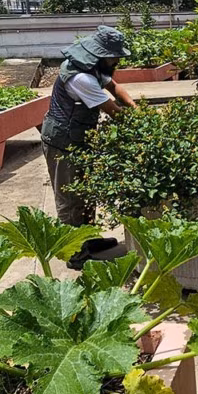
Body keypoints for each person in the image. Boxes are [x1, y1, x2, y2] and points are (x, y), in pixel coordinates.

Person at [40, 25, 138, 269]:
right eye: (114, 57)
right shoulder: (80, 78)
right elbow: (112, 109)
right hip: (62, 143)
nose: (117, 61)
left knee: (85, 192)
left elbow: (115, 88)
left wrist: (136, 108)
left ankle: (89, 240)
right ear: (101, 55)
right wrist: (141, 125)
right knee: (69, 196)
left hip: (79, 140)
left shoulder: (94, 67)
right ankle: (73, 252)